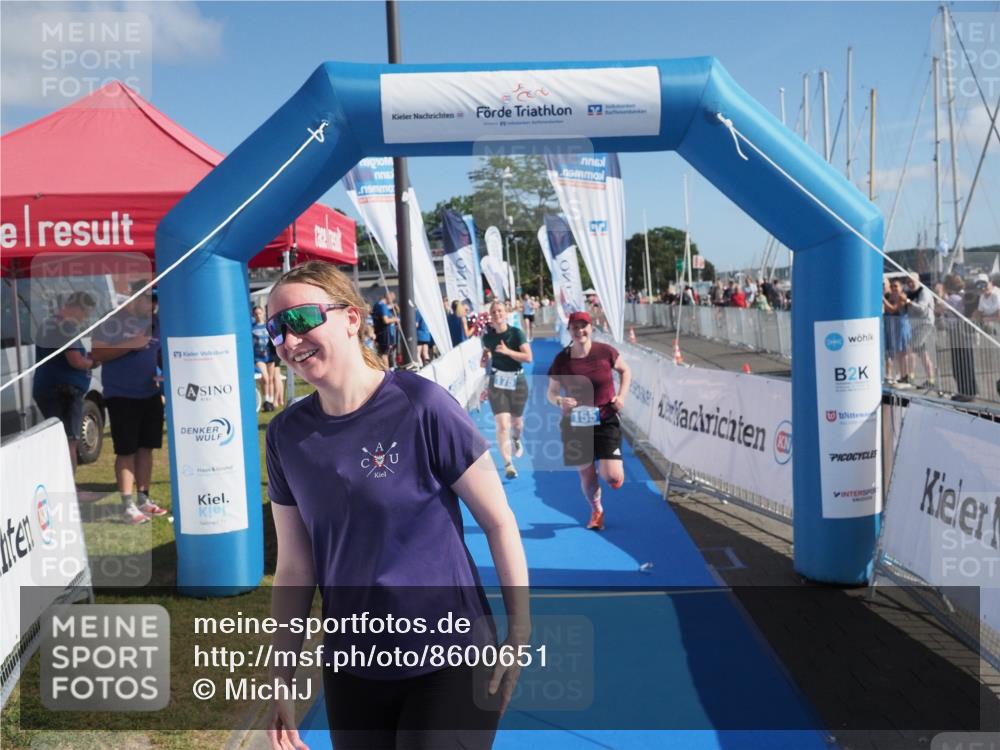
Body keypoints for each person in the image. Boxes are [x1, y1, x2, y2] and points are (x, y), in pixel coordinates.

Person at [263, 262, 529, 750]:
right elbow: (296, 569)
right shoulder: (285, 436)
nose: (287, 339)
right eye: (274, 328)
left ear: (351, 318)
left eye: (300, 319)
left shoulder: (423, 404)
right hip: (354, 667)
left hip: (452, 657)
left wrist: (519, 634)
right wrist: (281, 676)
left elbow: (499, 520)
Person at [546, 311, 631, 531]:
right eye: (575, 327)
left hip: (605, 418)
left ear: (591, 328)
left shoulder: (605, 352)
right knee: (587, 475)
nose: (580, 331)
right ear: (570, 331)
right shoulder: (562, 360)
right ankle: (597, 510)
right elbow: (552, 393)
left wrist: (621, 396)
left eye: (584, 326)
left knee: (611, 476)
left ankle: (613, 475)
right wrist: (560, 401)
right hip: (575, 424)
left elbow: (625, 371)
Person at [91, 283, 168, 524]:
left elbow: (160, 353)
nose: (153, 305)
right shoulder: (111, 320)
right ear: (133, 299)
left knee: (147, 448)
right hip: (121, 396)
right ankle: (127, 505)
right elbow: (97, 354)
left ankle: (144, 499)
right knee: (126, 451)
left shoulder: (156, 322)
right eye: (148, 300)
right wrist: (130, 344)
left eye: (155, 300)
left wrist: (166, 372)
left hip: (150, 394)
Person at [32, 292, 100, 473]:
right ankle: (69, 485)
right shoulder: (66, 327)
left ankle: (59, 479)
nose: (85, 318)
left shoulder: (47, 324)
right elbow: (76, 360)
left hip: (47, 388)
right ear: (76, 308)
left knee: (58, 439)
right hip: (64, 392)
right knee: (69, 441)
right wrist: (94, 362)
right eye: (85, 313)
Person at [481, 301, 533, 480]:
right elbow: (487, 354)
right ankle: (508, 463)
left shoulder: (516, 333)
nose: (497, 314)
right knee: (503, 424)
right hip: (498, 382)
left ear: (506, 313)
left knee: (516, 423)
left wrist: (508, 351)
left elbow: (528, 357)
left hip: (517, 381)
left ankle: (516, 438)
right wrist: (485, 358)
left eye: (500, 311)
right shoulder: (487, 337)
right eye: (493, 312)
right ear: (490, 315)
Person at [942, 274, 977, 402]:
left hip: (957, 332)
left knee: (960, 363)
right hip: (963, 332)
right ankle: (968, 391)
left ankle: (964, 392)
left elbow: (947, 316)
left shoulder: (952, 298)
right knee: (966, 362)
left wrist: (944, 316)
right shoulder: (963, 297)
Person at [904, 273, 936, 387]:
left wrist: (908, 302)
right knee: (923, 353)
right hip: (915, 325)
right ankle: (931, 379)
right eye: (908, 281)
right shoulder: (909, 292)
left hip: (925, 324)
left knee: (912, 349)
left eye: (912, 281)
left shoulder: (924, 292)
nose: (910, 283)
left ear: (918, 280)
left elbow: (922, 308)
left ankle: (910, 377)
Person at [882, 278, 912, 386]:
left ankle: (905, 376)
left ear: (901, 287)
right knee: (896, 352)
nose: (894, 288)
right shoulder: (889, 296)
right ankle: (900, 375)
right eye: (892, 286)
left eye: (896, 286)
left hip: (902, 325)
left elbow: (893, 309)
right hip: (893, 326)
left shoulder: (902, 297)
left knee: (903, 352)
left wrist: (883, 300)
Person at [252, 306, 277, 410]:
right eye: (256, 314)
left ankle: (270, 402)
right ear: (253, 315)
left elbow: (276, 338)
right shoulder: (252, 328)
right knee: (265, 379)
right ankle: (266, 400)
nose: (258, 315)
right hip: (258, 358)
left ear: (263, 313)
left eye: (260, 313)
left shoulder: (269, 325)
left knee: (271, 379)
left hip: (270, 355)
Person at [371, 289, 399, 369]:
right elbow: (386, 320)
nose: (392, 301)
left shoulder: (377, 304)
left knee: (381, 353)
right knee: (384, 354)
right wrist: (395, 319)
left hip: (380, 332)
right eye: (392, 299)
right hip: (384, 333)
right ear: (389, 297)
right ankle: (387, 373)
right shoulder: (382, 305)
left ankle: (384, 371)